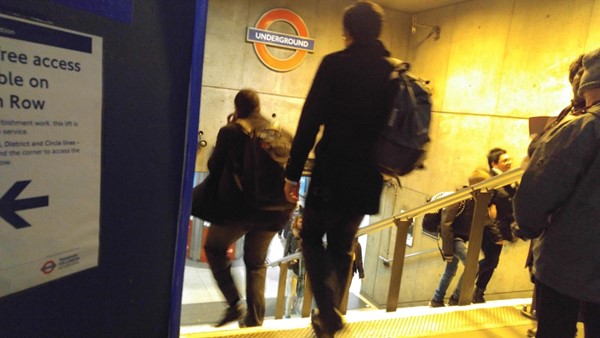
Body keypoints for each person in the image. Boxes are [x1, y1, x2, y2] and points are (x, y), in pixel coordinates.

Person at [283, 2, 398, 336]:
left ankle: (329, 312)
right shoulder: (392, 71)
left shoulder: (335, 65)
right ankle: (330, 311)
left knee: (309, 236)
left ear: (347, 32)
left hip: (332, 170)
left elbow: (309, 121)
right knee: (342, 245)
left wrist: (292, 172)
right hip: (368, 175)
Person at [513, 48, 600, 338]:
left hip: (568, 259)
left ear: (588, 84)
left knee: (555, 329)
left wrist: (526, 225)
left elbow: (540, 187)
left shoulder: (584, 127)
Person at [203, 89, 293, 328]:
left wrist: (228, 128)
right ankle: (254, 322)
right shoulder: (280, 131)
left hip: (241, 209)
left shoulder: (232, 131)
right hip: (276, 211)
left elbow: (214, 165)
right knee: (256, 262)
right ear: (258, 106)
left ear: (237, 107)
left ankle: (234, 304)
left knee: (213, 248)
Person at [429, 169, 491, 307]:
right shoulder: (459, 198)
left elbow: (484, 221)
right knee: (473, 266)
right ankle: (456, 298)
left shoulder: (477, 199)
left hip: (461, 239)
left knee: (450, 270)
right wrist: (448, 251)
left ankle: (437, 300)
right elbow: (446, 224)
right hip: (454, 239)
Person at [472, 147, 516, 303]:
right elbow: (487, 209)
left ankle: (478, 293)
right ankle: (468, 282)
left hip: (500, 227)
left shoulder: (507, 180)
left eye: (509, 159)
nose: (510, 162)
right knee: (491, 261)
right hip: (490, 228)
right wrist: (496, 233)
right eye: (505, 160)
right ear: (494, 164)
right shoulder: (491, 180)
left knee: (493, 262)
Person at [284, 215, 305, 318]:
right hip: (293, 268)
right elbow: (285, 253)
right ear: (296, 222)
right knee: (291, 294)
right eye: (300, 222)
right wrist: (289, 262)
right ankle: (287, 314)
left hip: (303, 268)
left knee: (301, 294)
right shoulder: (290, 234)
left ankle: (299, 312)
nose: (302, 224)